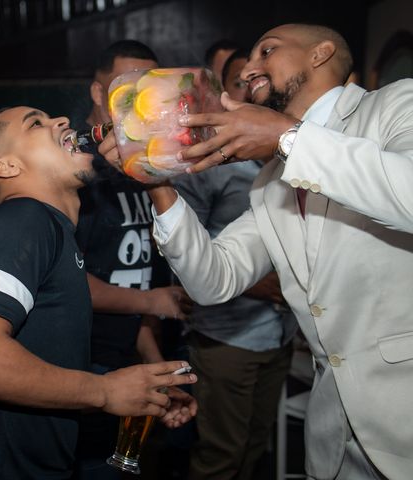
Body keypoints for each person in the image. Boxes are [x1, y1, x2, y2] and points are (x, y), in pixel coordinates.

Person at [100, 23, 412, 479]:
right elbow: (213, 280)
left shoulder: (394, 105)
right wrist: (158, 185)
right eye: (248, 60)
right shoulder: (270, 185)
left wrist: (288, 137)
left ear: (321, 54)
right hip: (334, 440)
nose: (248, 68)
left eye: (267, 50)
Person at [0, 106, 197, 479]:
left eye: (51, 117)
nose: (60, 121)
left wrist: (140, 391)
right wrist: (105, 390)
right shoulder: (21, 220)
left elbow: (41, 366)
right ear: (7, 167)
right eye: (35, 124)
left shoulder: (53, 233)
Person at [170, 49, 297, 480]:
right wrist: (261, 284)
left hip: (280, 334)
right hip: (228, 335)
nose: (251, 89)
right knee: (220, 457)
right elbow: (185, 249)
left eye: (259, 80)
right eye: (240, 83)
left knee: (256, 448)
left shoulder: (295, 154)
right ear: (224, 93)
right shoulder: (209, 163)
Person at [72, 40, 194, 480]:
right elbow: (65, 282)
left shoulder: (146, 164)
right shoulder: (76, 164)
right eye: (126, 89)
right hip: (78, 362)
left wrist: (152, 363)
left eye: (151, 88)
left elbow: (141, 278)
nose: (141, 100)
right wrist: (151, 304)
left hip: (128, 356)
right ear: (96, 92)